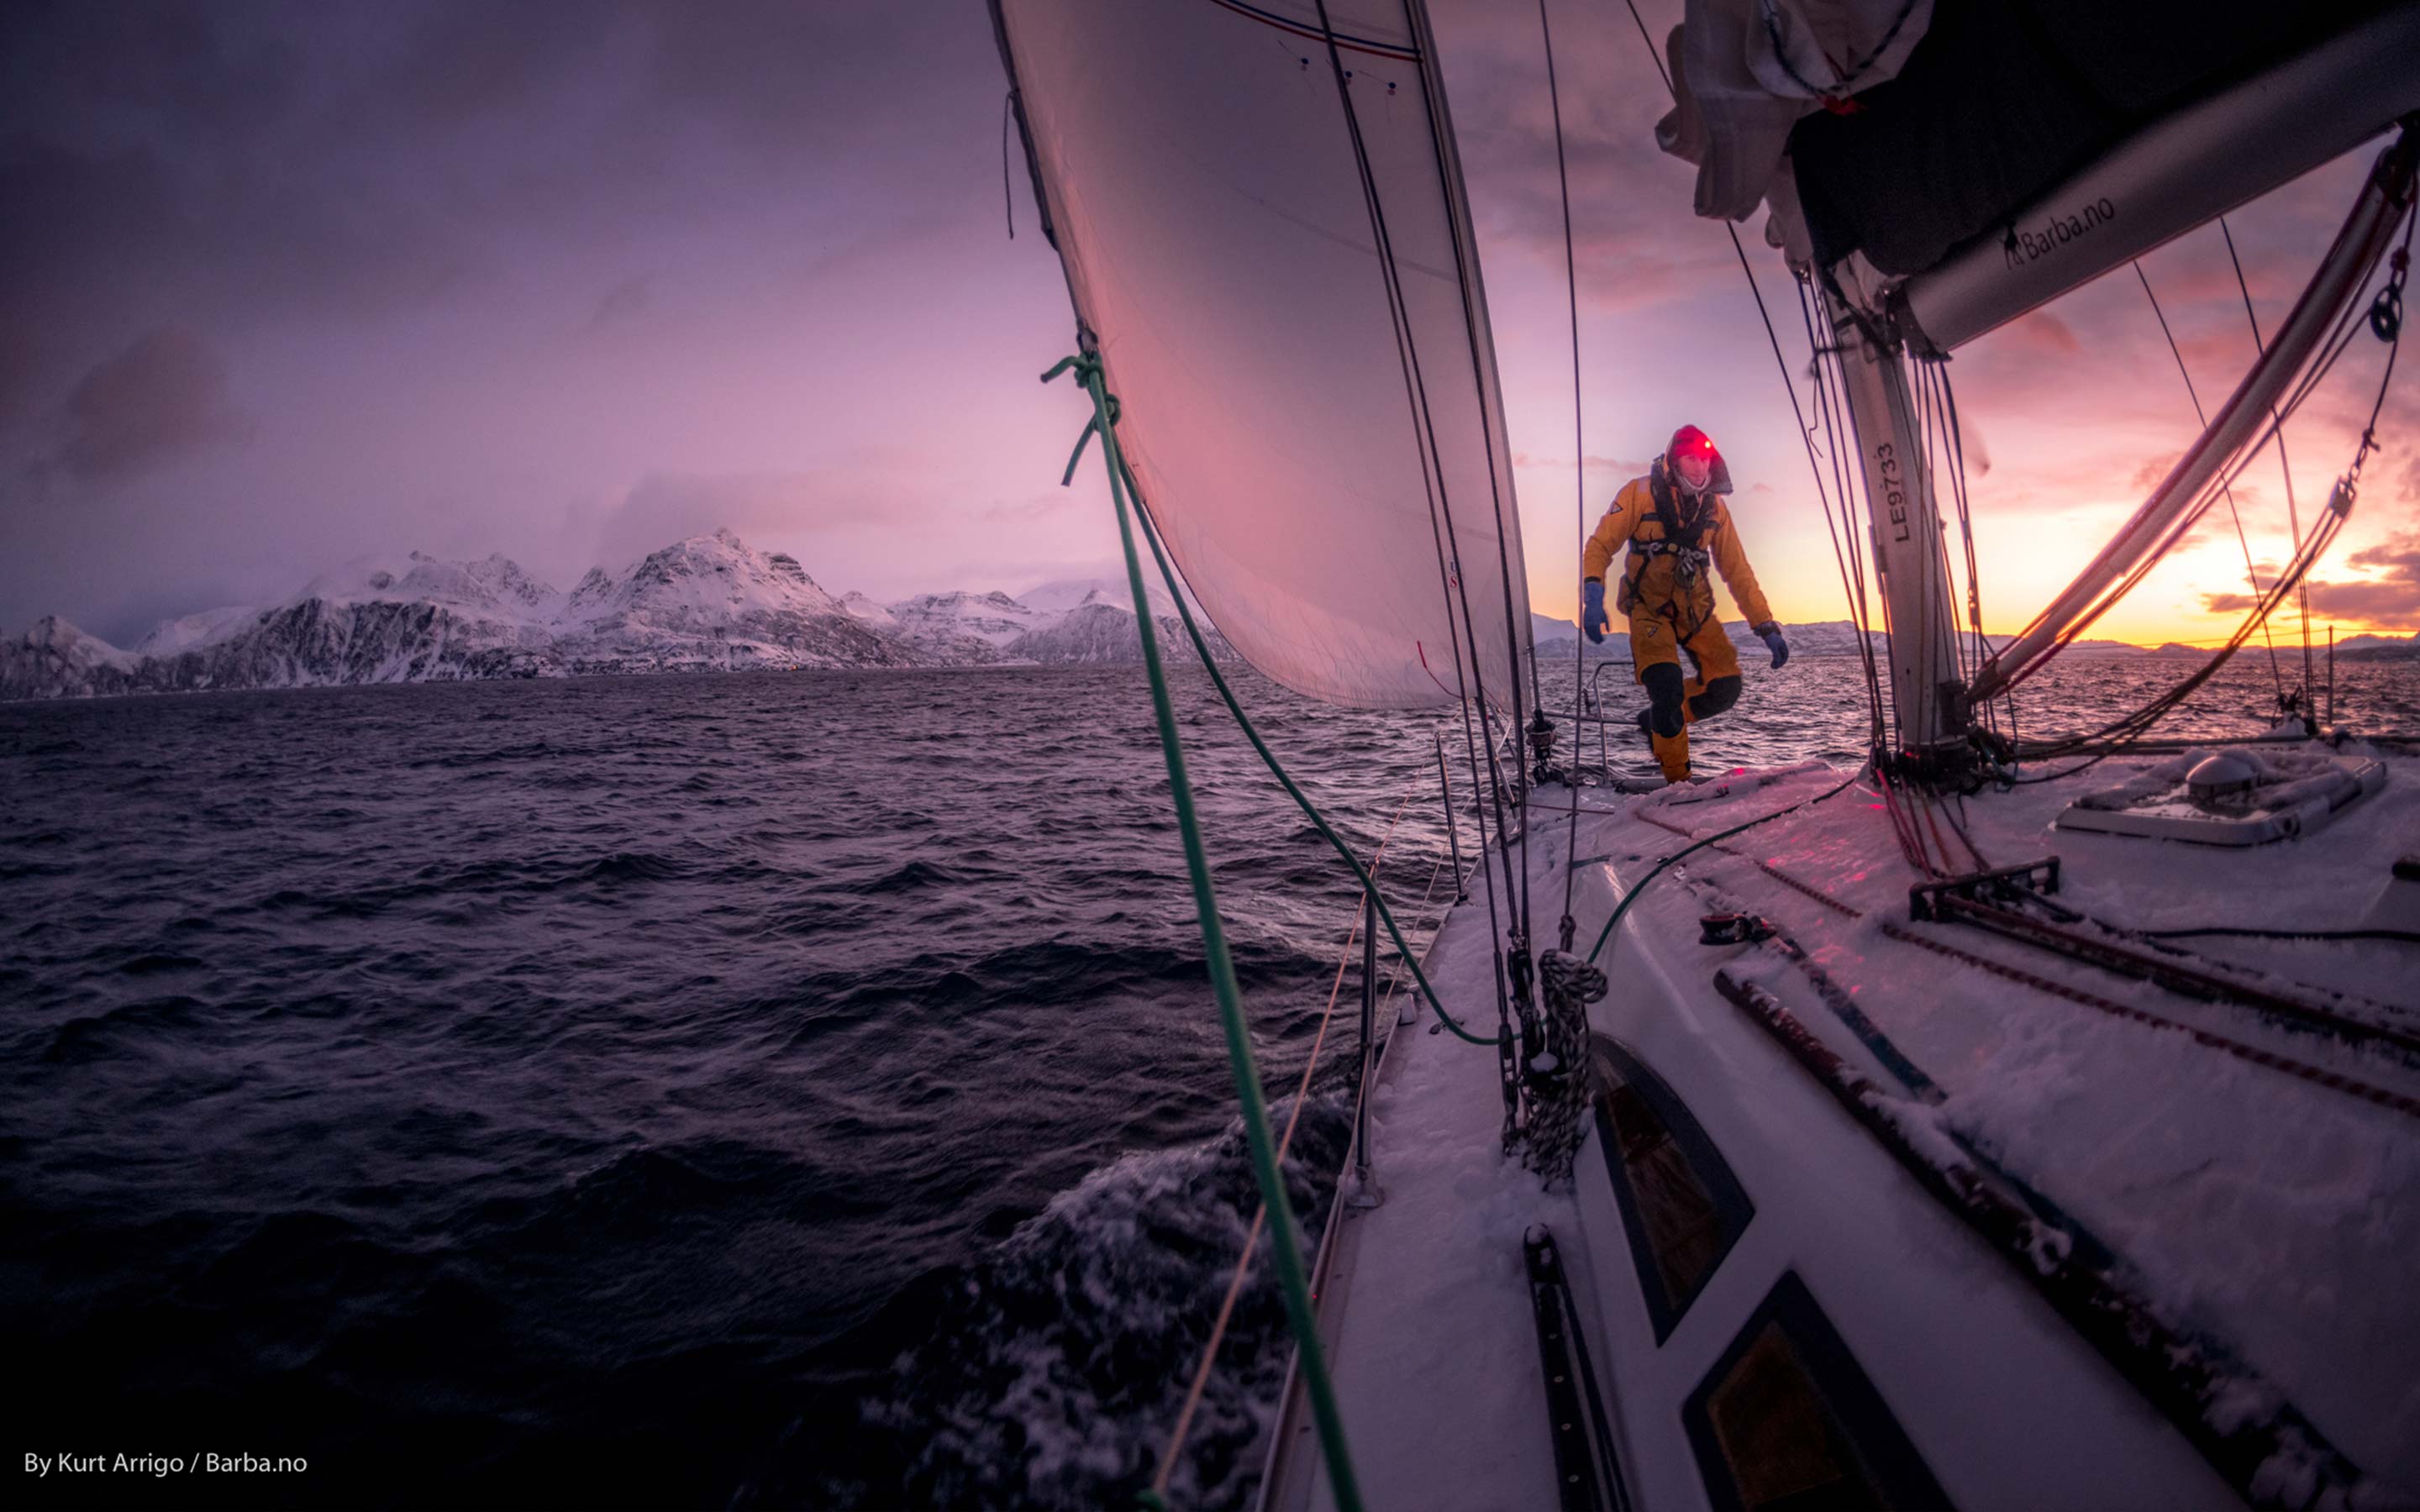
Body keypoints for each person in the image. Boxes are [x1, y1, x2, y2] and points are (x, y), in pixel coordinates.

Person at [1581, 425, 1788, 783]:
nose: (1698, 465)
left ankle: (1659, 722)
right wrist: (1593, 596)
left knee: (1726, 687)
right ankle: (1678, 783)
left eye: (1704, 456)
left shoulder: (1716, 510)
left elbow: (1737, 570)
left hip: (1695, 612)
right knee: (1666, 685)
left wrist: (1765, 624)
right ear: (1675, 459)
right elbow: (1600, 545)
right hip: (1649, 608)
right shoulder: (1638, 493)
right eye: (1690, 456)